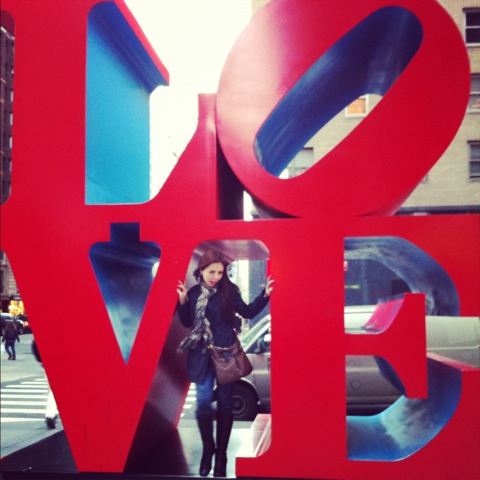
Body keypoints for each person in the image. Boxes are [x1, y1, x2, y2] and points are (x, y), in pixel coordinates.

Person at [176, 250, 274, 477]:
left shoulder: (229, 291)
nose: (216, 277)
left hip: (225, 354)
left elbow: (247, 312)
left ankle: (221, 455)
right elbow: (187, 321)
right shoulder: (193, 293)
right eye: (212, 272)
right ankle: (208, 449)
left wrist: (265, 295)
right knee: (202, 403)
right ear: (201, 270)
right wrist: (182, 301)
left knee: (225, 405)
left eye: (220, 272)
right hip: (201, 354)